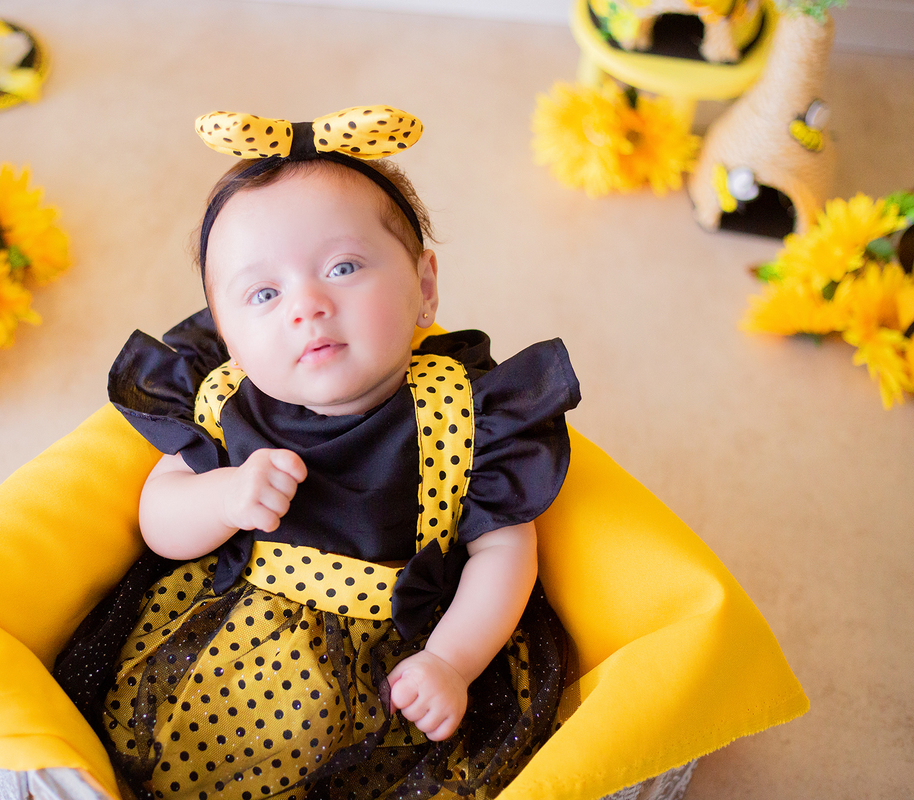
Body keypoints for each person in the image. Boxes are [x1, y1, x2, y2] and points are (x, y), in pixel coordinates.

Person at [53, 107, 581, 800]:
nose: (306, 305)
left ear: (425, 288)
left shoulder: (471, 415)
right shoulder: (223, 402)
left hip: (396, 658)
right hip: (230, 646)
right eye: (263, 293)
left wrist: (451, 662)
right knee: (171, 756)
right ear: (228, 335)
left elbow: (506, 554)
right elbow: (159, 519)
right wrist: (225, 497)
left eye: (343, 266)